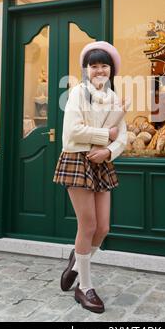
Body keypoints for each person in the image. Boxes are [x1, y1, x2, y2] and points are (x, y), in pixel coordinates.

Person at [53, 41, 128, 314]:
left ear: (111, 69)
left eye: (104, 65)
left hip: (101, 163)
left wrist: (108, 150)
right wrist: (104, 136)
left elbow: (123, 136)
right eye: (94, 66)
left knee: (103, 227)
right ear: (86, 69)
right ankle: (84, 287)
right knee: (88, 226)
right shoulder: (77, 94)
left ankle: (75, 263)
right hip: (77, 160)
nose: (99, 70)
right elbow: (72, 131)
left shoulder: (115, 99)